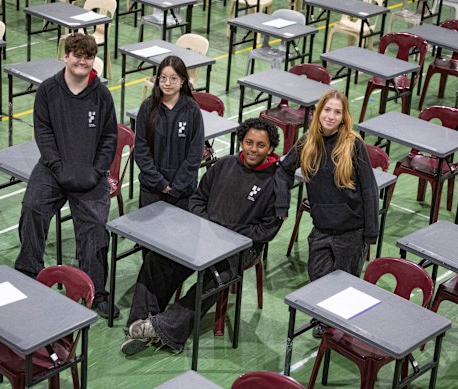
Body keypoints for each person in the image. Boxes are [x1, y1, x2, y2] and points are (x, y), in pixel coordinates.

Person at [121, 118, 284, 356]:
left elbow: (267, 231)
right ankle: (139, 322)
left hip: (240, 249)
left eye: (260, 145)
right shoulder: (223, 165)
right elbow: (197, 199)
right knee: (158, 260)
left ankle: (160, 328)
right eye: (249, 142)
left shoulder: (276, 183)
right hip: (203, 234)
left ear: (270, 149)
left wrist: (229, 233)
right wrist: (207, 224)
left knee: (215, 280)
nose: (253, 149)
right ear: (241, 142)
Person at [14, 33, 119, 319]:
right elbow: (43, 132)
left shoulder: (101, 95)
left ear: (93, 60)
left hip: (89, 173)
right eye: (77, 55)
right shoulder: (48, 90)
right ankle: (28, 270)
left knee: (96, 227)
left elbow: (109, 137)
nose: (81, 61)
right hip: (53, 168)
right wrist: (57, 166)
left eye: (87, 57)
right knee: (32, 207)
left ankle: (95, 291)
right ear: (66, 56)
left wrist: (96, 171)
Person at [274, 89, 379, 337]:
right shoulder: (308, 141)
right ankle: (326, 323)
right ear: (319, 112)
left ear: (344, 117)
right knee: (318, 279)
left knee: (345, 289)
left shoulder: (354, 145)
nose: (331, 116)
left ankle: (338, 333)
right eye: (327, 110)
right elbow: (282, 170)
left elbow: (370, 190)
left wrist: (371, 235)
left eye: (337, 112)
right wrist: (282, 203)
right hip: (321, 228)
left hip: (351, 232)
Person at [135, 55, 205, 211]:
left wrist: (177, 186)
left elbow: (195, 154)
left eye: (173, 78)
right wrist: (160, 182)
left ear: (182, 81)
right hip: (152, 189)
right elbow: (141, 150)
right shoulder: (147, 107)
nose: (167, 83)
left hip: (183, 192)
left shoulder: (192, 110)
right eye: (163, 78)